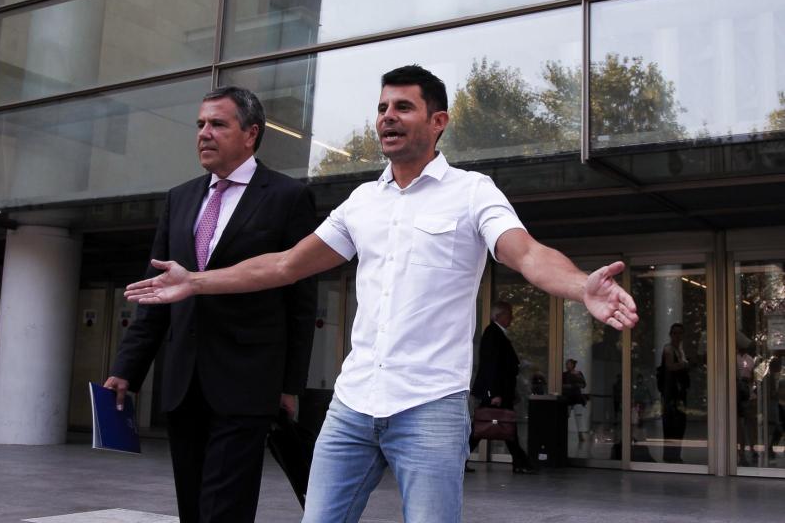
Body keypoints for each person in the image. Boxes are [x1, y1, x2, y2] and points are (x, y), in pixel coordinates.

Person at [124, 65, 638, 523]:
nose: (387, 117)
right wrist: (194, 281)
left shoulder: (473, 192)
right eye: (382, 108)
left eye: (403, 107)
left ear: (438, 121)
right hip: (352, 405)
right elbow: (284, 265)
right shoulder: (361, 202)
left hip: (430, 407)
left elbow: (525, 253)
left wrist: (579, 286)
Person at [104, 87, 317, 523]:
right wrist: (127, 368)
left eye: (218, 124)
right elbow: (156, 294)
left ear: (251, 133)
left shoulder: (286, 196)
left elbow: (300, 298)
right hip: (185, 382)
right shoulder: (179, 198)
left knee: (225, 508)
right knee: (193, 507)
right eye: (200, 124)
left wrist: (289, 384)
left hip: (248, 382)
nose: (204, 133)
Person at [468, 301, 535, 473]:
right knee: (488, 426)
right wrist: (494, 393)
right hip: (495, 392)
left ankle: (520, 462)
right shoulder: (493, 334)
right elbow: (491, 366)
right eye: (508, 314)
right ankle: (520, 463)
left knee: (496, 426)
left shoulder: (498, 333)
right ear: (499, 316)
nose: (511, 317)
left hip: (500, 391)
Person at [660, 322, 690, 464]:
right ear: (671, 335)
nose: (677, 336)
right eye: (675, 333)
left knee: (679, 425)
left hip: (680, 393)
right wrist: (684, 364)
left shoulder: (680, 350)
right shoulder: (668, 349)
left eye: (680, 333)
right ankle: (670, 456)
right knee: (672, 424)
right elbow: (670, 366)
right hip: (671, 394)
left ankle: (675, 455)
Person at [562, 358, 588, 443]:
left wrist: (577, 385)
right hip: (568, 397)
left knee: (579, 416)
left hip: (577, 397)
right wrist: (568, 386)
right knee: (565, 416)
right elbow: (561, 385)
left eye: (568, 364)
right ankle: (563, 433)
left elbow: (584, 384)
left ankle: (580, 433)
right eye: (566, 364)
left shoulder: (579, 373)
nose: (567, 365)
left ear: (573, 365)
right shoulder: (564, 374)